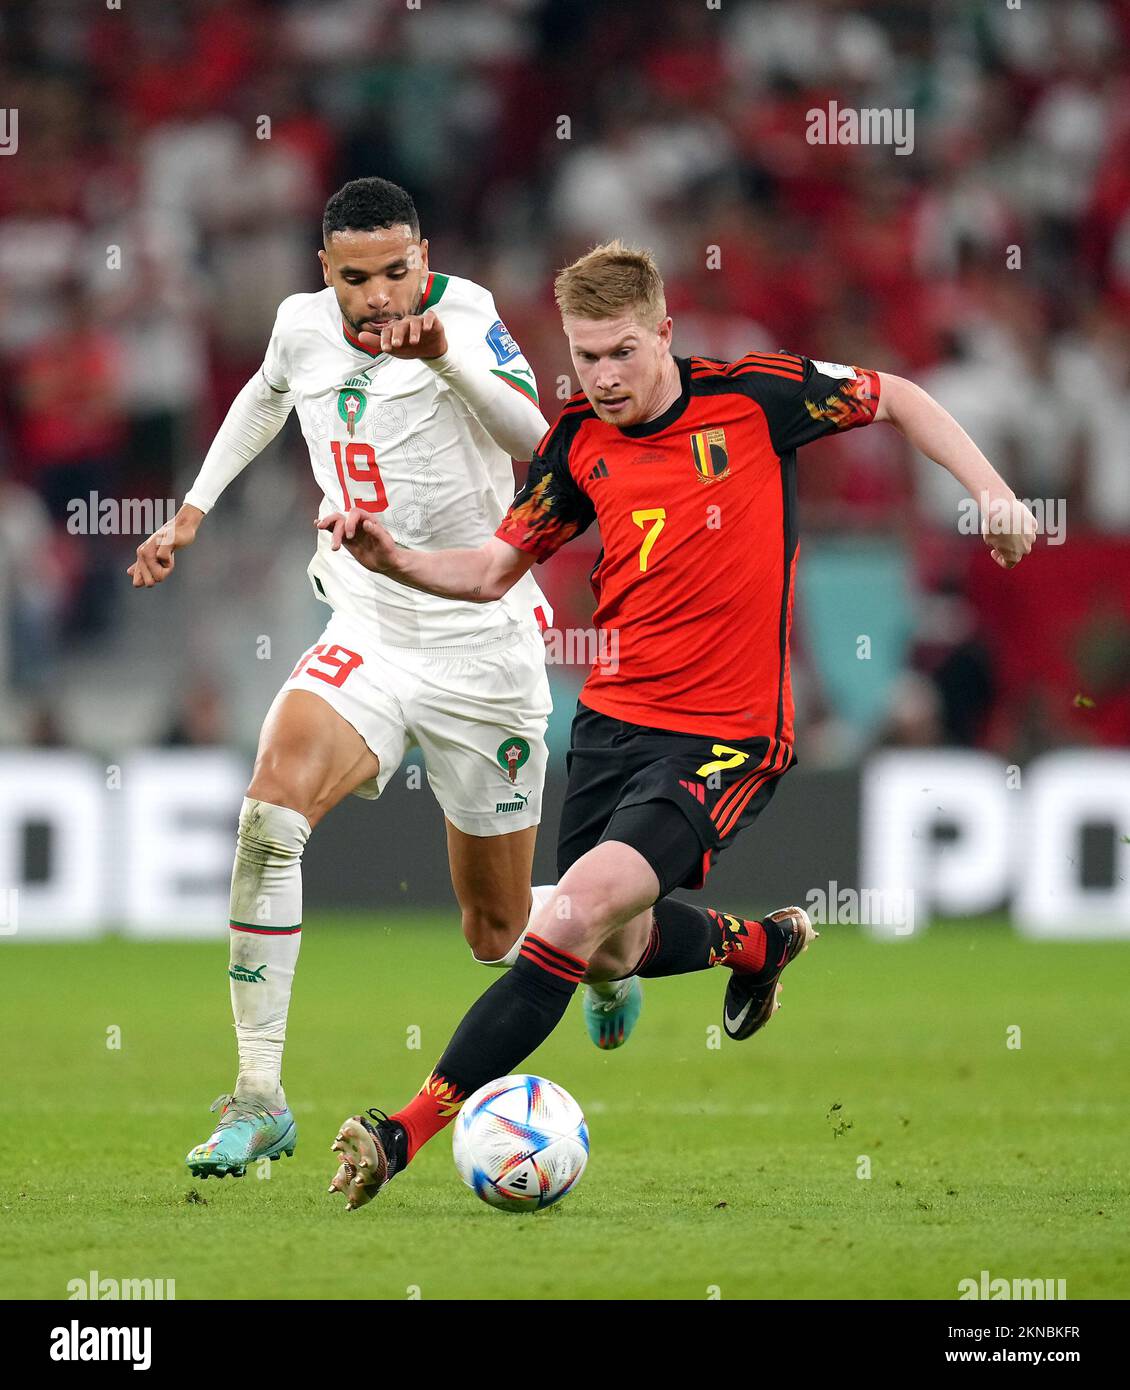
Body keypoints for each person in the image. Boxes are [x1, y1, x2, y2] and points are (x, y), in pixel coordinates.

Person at [318, 238, 1036, 1209]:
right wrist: (388, 554)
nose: (602, 377)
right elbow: (489, 570)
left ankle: (399, 1130)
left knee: (565, 918)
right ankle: (756, 946)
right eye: (584, 357)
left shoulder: (752, 396)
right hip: (613, 727)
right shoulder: (575, 442)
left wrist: (988, 493)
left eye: (620, 352)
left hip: (726, 731)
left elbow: (897, 394)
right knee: (610, 946)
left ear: (662, 333)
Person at [128, 177, 558, 1179]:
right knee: (268, 817)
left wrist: (447, 360)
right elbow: (265, 393)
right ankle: (257, 1097)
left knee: (497, 935)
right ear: (325, 271)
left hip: (481, 642)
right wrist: (193, 509)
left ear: (424, 256)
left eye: (395, 271)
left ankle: (604, 933)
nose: (377, 296)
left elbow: (543, 447)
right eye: (355, 276)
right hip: (366, 625)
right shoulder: (300, 326)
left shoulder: (469, 317)